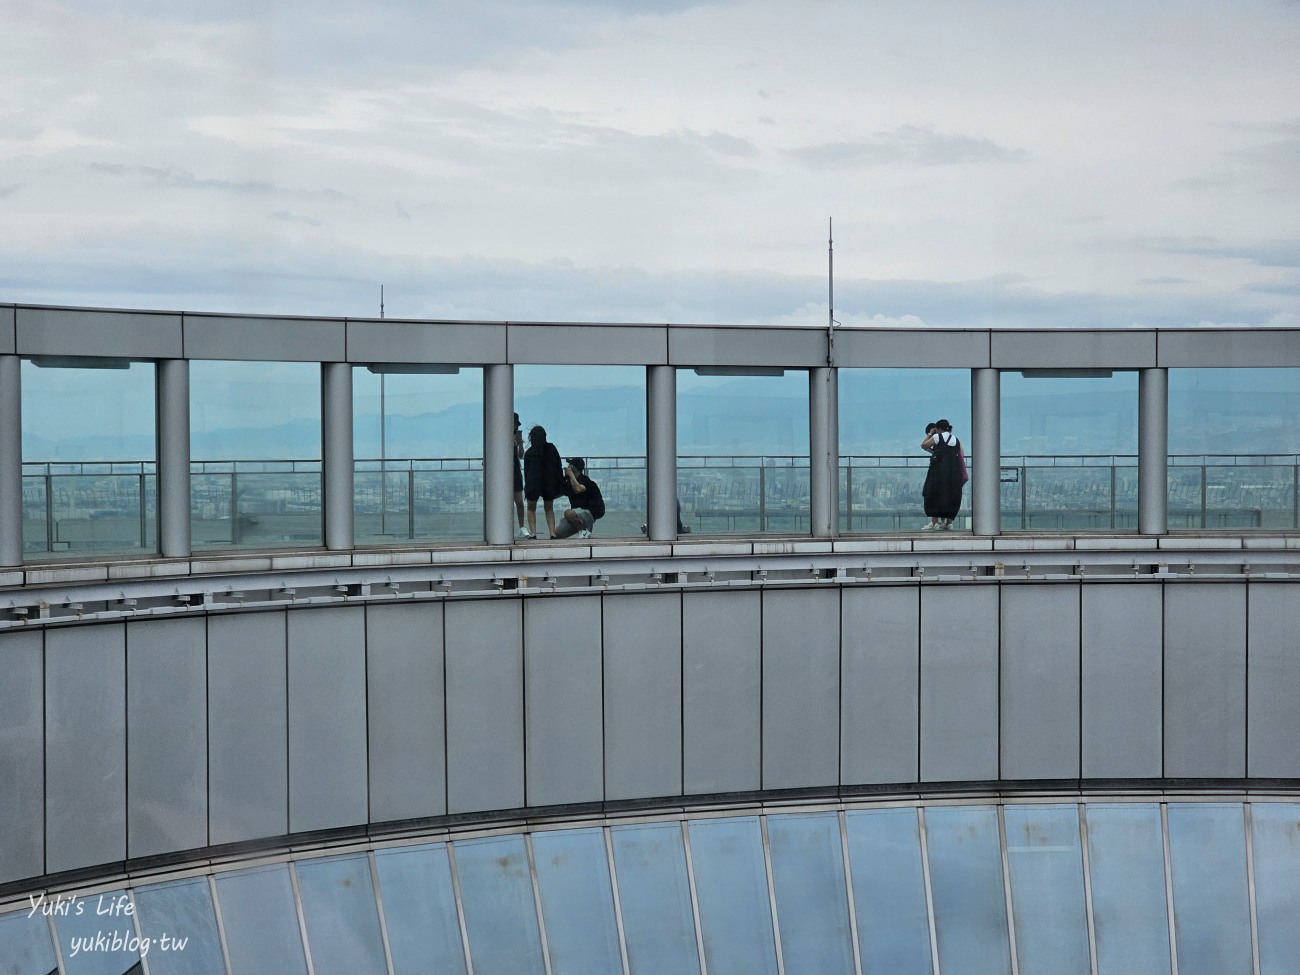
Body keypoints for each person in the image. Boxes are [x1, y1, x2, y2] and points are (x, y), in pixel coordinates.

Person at [921, 418, 964, 530]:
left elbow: (923, 445)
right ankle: (949, 523)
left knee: (933, 494)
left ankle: (934, 523)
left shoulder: (937, 437)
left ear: (938, 428)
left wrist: (930, 434)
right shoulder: (956, 440)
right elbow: (961, 454)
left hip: (938, 472)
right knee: (950, 495)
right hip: (953, 473)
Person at [522, 425, 563, 539]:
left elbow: (526, 472)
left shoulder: (529, 453)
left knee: (531, 508)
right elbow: (558, 465)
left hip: (533, 482)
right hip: (549, 482)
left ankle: (533, 533)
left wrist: (528, 486)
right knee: (549, 508)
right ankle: (552, 533)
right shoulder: (551, 449)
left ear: (532, 438)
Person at [553, 457, 605, 539]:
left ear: (573, 468)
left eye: (570, 465)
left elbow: (578, 489)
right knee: (557, 533)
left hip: (589, 513)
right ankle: (582, 529)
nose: (567, 467)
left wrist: (571, 475)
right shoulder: (569, 482)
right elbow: (559, 493)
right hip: (577, 515)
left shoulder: (585, 480)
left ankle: (583, 532)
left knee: (568, 513)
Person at [513, 413, 529, 538]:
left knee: (519, 501)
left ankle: (522, 526)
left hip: (515, 470)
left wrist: (520, 444)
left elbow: (520, 455)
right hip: (503, 471)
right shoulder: (499, 434)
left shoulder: (516, 436)